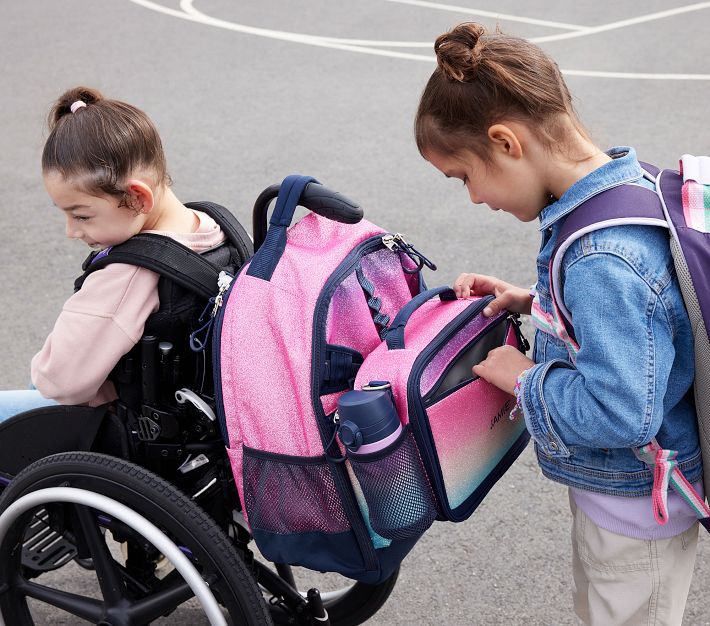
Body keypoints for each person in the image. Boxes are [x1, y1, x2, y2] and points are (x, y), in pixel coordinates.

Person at [415, 23, 701, 626]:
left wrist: (524, 378)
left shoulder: (601, 259)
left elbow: (622, 409)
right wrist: (533, 301)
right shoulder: (627, 186)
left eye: (464, 176)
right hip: (633, 490)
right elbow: (652, 319)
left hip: (635, 505)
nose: (471, 198)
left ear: (506, 141)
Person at [0, 86, 225, 421]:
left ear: (137, 198)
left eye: (81, 215)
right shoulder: (216, 227)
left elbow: (57, 382)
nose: (71, 231)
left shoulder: (128, 275)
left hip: (114, 425)